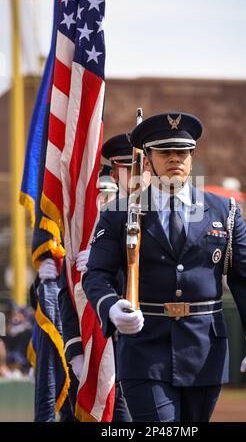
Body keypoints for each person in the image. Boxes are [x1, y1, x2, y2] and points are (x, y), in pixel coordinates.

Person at [83, 112, 246, 422]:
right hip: (144, 349)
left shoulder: (223, 210)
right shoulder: (119, 213)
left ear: (191, 156)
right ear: (147, 159)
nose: (175, 159)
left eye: (182, 152)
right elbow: (97, 273)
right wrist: (111, 307)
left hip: (204, 351)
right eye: (165, 152)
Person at [58, 133, 140, 422]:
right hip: (97, 340)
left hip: (144, 345)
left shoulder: (160, 212)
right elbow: (67, 288)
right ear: (115, 170)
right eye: (130, 167)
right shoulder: (90, 214)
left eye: (143, 166)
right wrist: (75, 348)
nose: (137, 175)